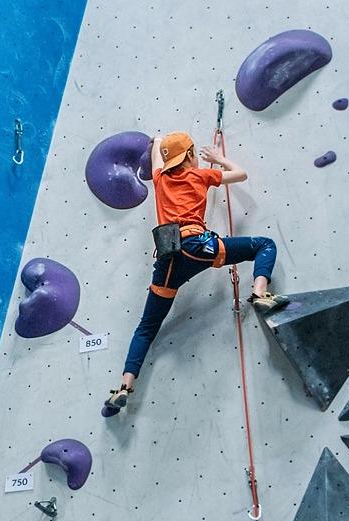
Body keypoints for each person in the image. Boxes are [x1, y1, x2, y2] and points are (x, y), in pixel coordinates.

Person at [104, 131, 288, 414]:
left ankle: (125, 385)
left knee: (146, 328)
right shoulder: (200, 176)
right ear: (190, 155)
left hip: (168, 260)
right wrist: (217, 158)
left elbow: (156, 157)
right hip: (199, 247)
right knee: (264, 245)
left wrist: (156, 142)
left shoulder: (160, 179)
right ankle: (260, 293)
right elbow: (241, 174)